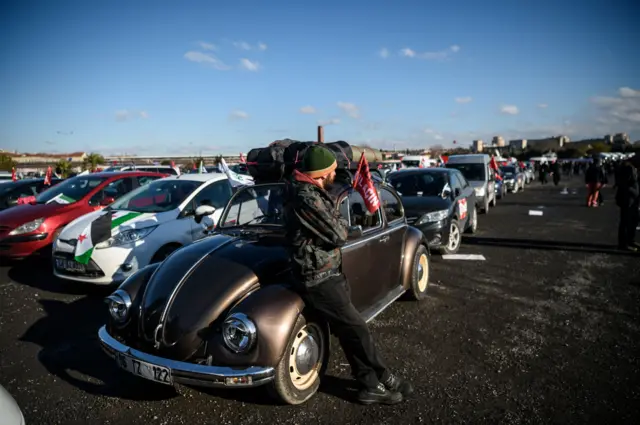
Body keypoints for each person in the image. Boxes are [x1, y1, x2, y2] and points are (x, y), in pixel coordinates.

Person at [283, 145, 412, 405]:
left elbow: (333, 226)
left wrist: (339, 223)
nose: (335, 174)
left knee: (349, 330)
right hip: (316, 276)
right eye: (332, 170)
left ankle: (371, 382)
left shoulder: (314, 192)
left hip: (327, 270)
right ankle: (381, 377)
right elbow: (338, 234)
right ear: (321, 173)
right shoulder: (305, 197)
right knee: (357, 328)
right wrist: (343, 225)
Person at [614, 160, 639, 251]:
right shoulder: (629, 168)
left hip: (631, 199)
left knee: (633, 221)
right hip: (628, 199)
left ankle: (630, 240)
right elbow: (624, 184)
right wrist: (635, 193)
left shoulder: (632, 168)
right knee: (626, 221)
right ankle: (623, 244)